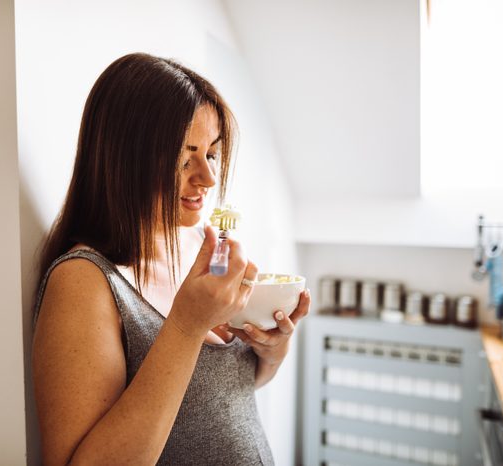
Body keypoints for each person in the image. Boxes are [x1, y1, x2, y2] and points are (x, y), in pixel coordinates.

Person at [32, 53, 310, 466]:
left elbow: (228, 392)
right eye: (184, 157)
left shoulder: (206, 247)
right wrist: (186, 325)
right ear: (126, 159)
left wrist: (271, 351)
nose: (208, 177)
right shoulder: (83, 281)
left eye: (211, 154)